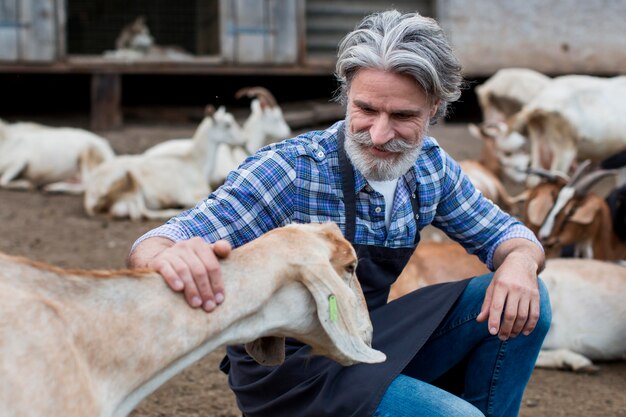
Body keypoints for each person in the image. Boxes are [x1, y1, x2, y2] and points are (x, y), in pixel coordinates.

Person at [129, 10, 551, 417]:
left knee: (532, 299)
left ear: (435, 109)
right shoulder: (291, 170)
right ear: (347, 95)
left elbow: (506, 235)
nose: (380, 134)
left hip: (365, 335)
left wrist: (519, 260)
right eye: (366, 109)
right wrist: (166, 256)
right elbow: (159, 242)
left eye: (402, 116)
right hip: (294, 371)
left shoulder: (429, 167)